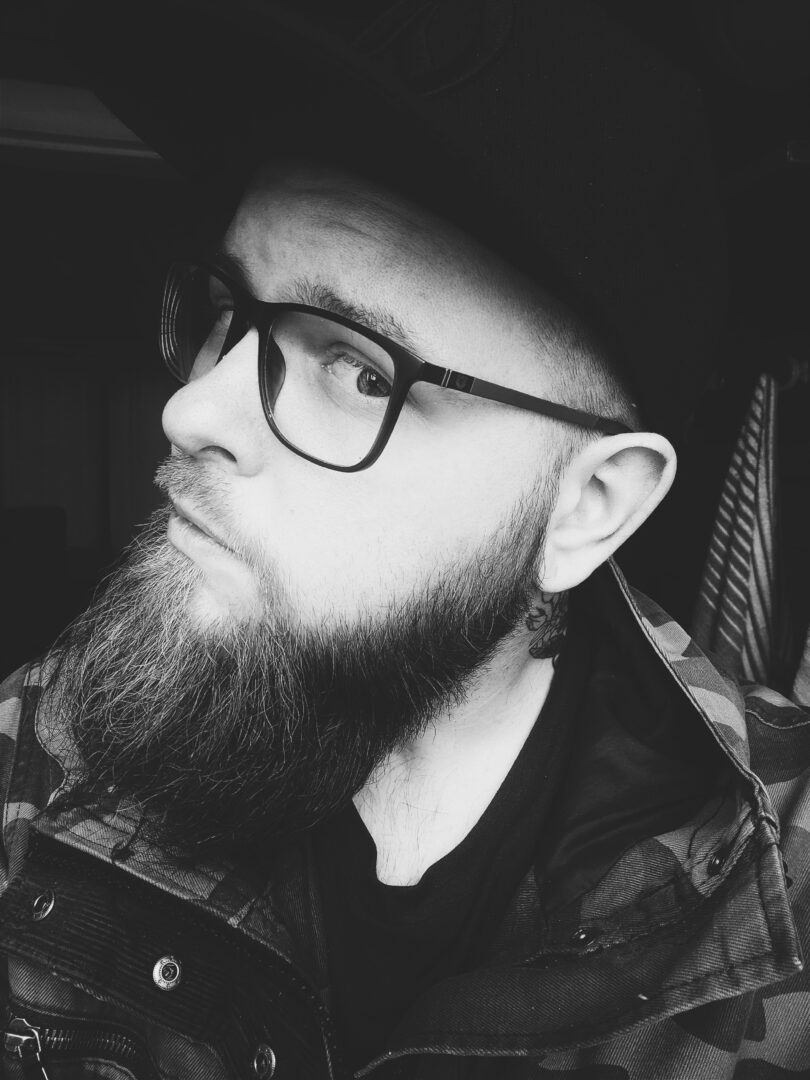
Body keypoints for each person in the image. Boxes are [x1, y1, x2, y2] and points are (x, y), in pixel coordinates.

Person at [1, 2, 808, 1078]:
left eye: (359, 370)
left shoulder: (778, 888)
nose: (190, 411)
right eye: (231, 316)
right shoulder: (41, 761)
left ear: (589, 506)